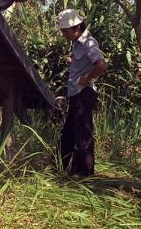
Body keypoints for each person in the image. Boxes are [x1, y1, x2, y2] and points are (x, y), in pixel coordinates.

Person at [57, 9, 107, 179]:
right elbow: (85, 62)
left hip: (83, 94)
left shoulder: (89, 42)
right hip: (76, 94)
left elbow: (101, 65)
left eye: (65, 31)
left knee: (82, 134)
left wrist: (86, 79)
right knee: (69, 132)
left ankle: (84, 172)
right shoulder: (78, 43)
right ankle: (60, 164)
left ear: (77, 28)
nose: (64, 34)